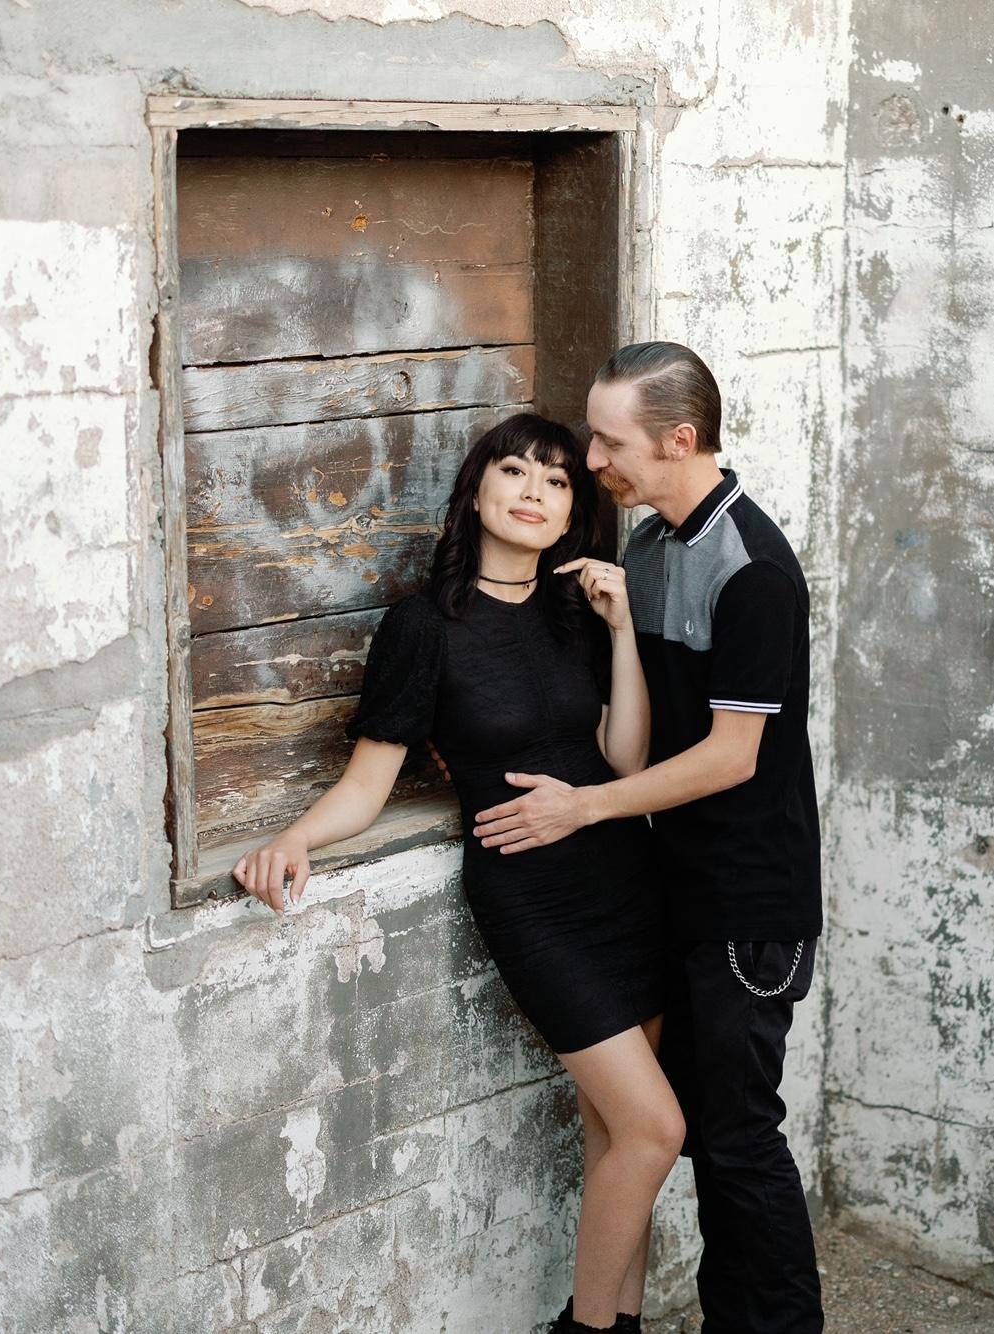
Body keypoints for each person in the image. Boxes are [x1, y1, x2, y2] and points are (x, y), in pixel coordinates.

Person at [232, 413, 685, 1334]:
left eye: (557, 480)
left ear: (574, 509)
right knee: (656, 1130)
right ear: (476, 490)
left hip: (627, 883)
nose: (534, 492)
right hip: (534, 901)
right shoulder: (424, 625)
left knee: (616, 1140)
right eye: (514, 470)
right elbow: (367, 784)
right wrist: (294, 839)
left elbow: (627, 760)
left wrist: (624, 630)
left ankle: (618, 1322)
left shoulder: (580, 609)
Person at [471, 345, 824, 1333]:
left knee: (739, 1139)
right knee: (708, 1137)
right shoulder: (649, 551)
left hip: (749, 904)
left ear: (679, 440)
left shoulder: (753, 570)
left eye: (608, 442)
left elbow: (729, 758)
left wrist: (583, 809)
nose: (590, 462)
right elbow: (635, 734)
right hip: (674, 885)